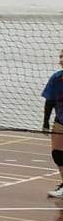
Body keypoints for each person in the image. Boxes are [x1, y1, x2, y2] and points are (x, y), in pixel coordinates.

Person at [44, 50, 63, 198]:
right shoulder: (56, 78)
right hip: (60, 121)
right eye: (60, 57)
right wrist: (45, 122)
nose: (61, 60)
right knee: (57, 154)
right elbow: (50, 101)